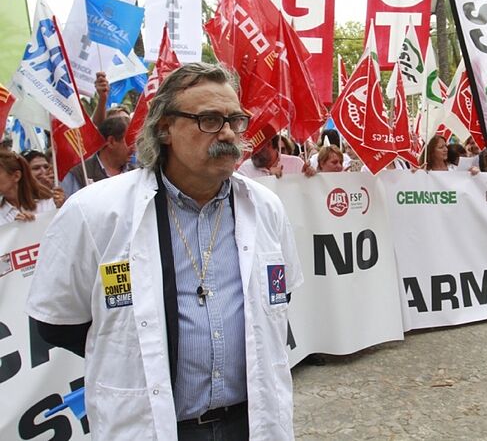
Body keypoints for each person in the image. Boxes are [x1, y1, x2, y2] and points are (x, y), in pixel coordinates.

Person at [27, 63, 303, 439]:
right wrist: (138, 354)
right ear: (164, 128)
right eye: (208, 119)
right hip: (154, 425)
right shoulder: (94, 211)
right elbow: (56, 325)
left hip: (251, 422)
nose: (226, 133)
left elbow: (278, 297)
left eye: (234, 120)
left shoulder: (266, 207)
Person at [61, 116, 132, 198]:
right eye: (129, 140)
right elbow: (69, 207)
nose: (134, 147)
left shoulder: (135, 171)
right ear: (111, 141)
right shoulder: (79, 173)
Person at [0, 150, 58, 225]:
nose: (42, 171)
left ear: (16, 176)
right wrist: (14, 228)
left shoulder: (47, 202)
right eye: (36, 168)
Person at [237, 134, 314, 179]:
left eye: (257, 148)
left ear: (269, 144)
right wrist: (270, 180)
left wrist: (309, 177)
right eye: (251, 147)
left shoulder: (296, 164)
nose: (253, 152)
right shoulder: (244, 169)